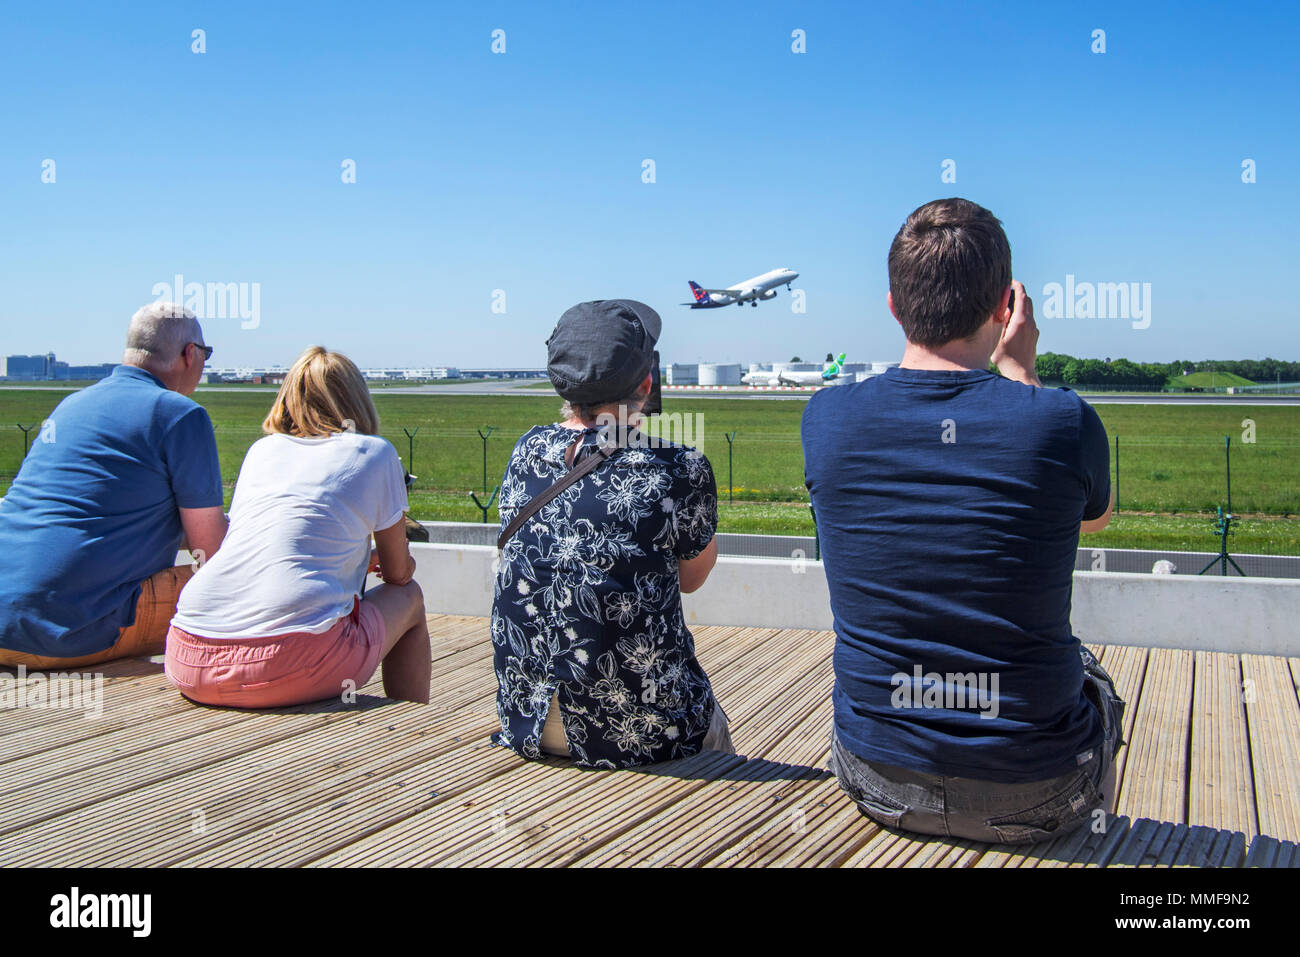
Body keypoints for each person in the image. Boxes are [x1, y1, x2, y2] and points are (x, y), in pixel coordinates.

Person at [803, 198, 1126, 844]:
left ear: (894, 305)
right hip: (1040, 787)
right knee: (1096, 681)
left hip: (879, 777)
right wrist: (1021, 372)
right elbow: (1093, 519)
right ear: (1006, 308)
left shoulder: (826, 420)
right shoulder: (1061, 421)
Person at [491, 299, 730, 769]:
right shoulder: (679, 467)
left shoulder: (526, 451)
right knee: (716, 732)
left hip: (528, 722)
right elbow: (692, 578)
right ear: (647, 384)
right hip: (636, 735)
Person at [164, 346, 430, 707]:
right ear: (357, 400)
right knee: (410, 597)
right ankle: (412, 723)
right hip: (286, 663)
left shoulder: (262, 451)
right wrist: (398, 563)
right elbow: (397, 575)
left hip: (188, 655)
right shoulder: (373, 452)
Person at [0, 302, 227, 669]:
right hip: (62, 635)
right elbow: (210, 549)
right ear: (190, 354)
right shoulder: (181, 414)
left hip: (5, 623)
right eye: (206, 354)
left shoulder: (72, 404)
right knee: (241, 581)